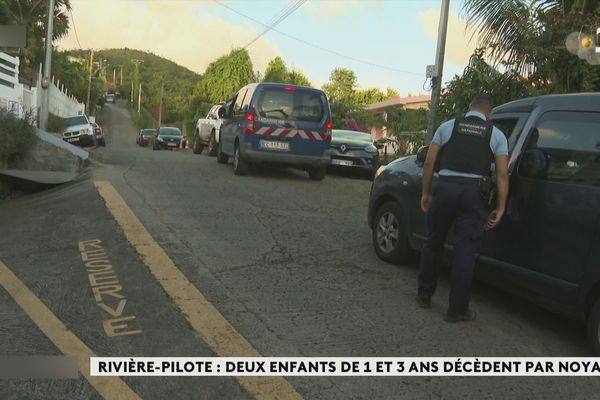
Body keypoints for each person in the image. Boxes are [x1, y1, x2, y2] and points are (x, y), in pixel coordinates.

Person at [416, 94, 509, 322]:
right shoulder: (496, 135)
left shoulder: (447, 127)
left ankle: (424, 296)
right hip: (473, 194)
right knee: (465, 252)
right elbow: (502, 175)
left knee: (433, 242)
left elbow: (429, 162)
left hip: (445, 188)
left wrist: (426, 192)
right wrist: (501, 207)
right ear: (490, 114)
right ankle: (456, 310)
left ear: (469, 109)